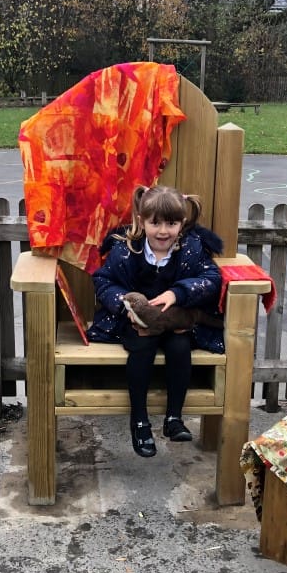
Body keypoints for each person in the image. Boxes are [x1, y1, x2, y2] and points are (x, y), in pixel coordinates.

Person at [86, 185, 224, 458]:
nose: (163, 231)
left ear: (182, 224)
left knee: (179, 347)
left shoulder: (191, 249)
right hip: (134, 321)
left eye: (171, 224)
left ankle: (174, 417)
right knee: (142, 346)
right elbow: (103, 281)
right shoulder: (125, 249)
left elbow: (212, 279)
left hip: (174, 322)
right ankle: (139, 421)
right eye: (155, 223)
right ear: (142, 221)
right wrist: (124, 303)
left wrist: (178, 293)